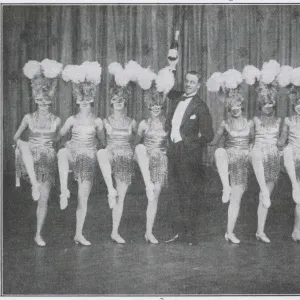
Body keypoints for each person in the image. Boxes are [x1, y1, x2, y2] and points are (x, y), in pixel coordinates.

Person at [165, 61, 214, 245]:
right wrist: (171, 66)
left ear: (198, 85)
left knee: (189, 194)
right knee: (175, 193)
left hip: (189, 155)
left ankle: (190, 235)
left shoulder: (200, 106)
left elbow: (208, 135)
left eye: (192, 82)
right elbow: (167, 87)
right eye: (186, 81)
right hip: (173, 152)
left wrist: (191, 145)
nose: (188, 84)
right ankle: (178, 233)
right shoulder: (177, 97)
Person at [14, 59, 62, 246]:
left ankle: (38, 233)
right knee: (24, 145)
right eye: (40, 100)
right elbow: (16, 137)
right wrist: (21, 144)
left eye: (46, 100)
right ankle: (33, 183)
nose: (43, 103)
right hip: (29, 157)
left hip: (47, 160)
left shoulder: (56, 120)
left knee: (44, 198)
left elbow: (57, 139)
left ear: (51, 100)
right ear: (35, 99)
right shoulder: (28, 117)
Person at [57, 62, 103, 246]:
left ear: (91, 102)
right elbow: (58, 136)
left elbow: (103, 142)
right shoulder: (71, 119)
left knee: (83, 198)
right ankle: (63, 190)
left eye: (87, 102)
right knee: (61, 152)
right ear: (77, 101)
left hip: (88, 159)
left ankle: (78, 233)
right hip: (73, 153)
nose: (84, 105)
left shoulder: (97, 121)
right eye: (81, 102)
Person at [209, 90, 254, 244]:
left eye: (238, 105)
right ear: (229, 107)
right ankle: (225, 187)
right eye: (232, 106)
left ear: (242, 106)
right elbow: (214, 141)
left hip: (242, 164)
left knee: (236, 200)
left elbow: (253, 141)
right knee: (220, 151)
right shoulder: (225, 123)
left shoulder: (249, 123)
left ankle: (230, 232)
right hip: (227, 161)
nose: (235, 108)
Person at [97, 86, 137, 244]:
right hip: (111, 156)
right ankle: (109, 189)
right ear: (111, 103)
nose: (118, 102)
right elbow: (102, 141)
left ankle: (114, 231)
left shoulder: (131, 122)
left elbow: (136, 140)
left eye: (121, 99)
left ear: (125, 101)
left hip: (125, 158)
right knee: (101, 153)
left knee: (121, 198)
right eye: (115, 99)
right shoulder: (105, 121)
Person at [134, 88, 169, 244]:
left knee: (155, 196)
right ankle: (147, 183)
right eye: (153, 105)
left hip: (161, 161)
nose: (156, 108)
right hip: (146, 161)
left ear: (162, 106)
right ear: (148, 106)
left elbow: (171, 143)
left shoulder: (167, 123)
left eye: (158, 105)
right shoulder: (143, 124)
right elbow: (135, 144)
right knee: (140, 149)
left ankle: (149, 232)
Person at [251, 83, 282, 243]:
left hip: (273, 159)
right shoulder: (255, 120)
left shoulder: (279, 120)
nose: (268, 106)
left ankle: (260, 231)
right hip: (258, 157)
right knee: (264, 192)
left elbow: (281, 141)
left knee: (265, 195)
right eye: (264, 104)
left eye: (270, 103)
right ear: (260, 105)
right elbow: (248, 140)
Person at [278, 87, 300, 241]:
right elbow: (281, 141)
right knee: (287, 151)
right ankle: (294, 185)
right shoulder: (289, 120)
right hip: (293, 159)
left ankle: (296, 230)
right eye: (298, 103)